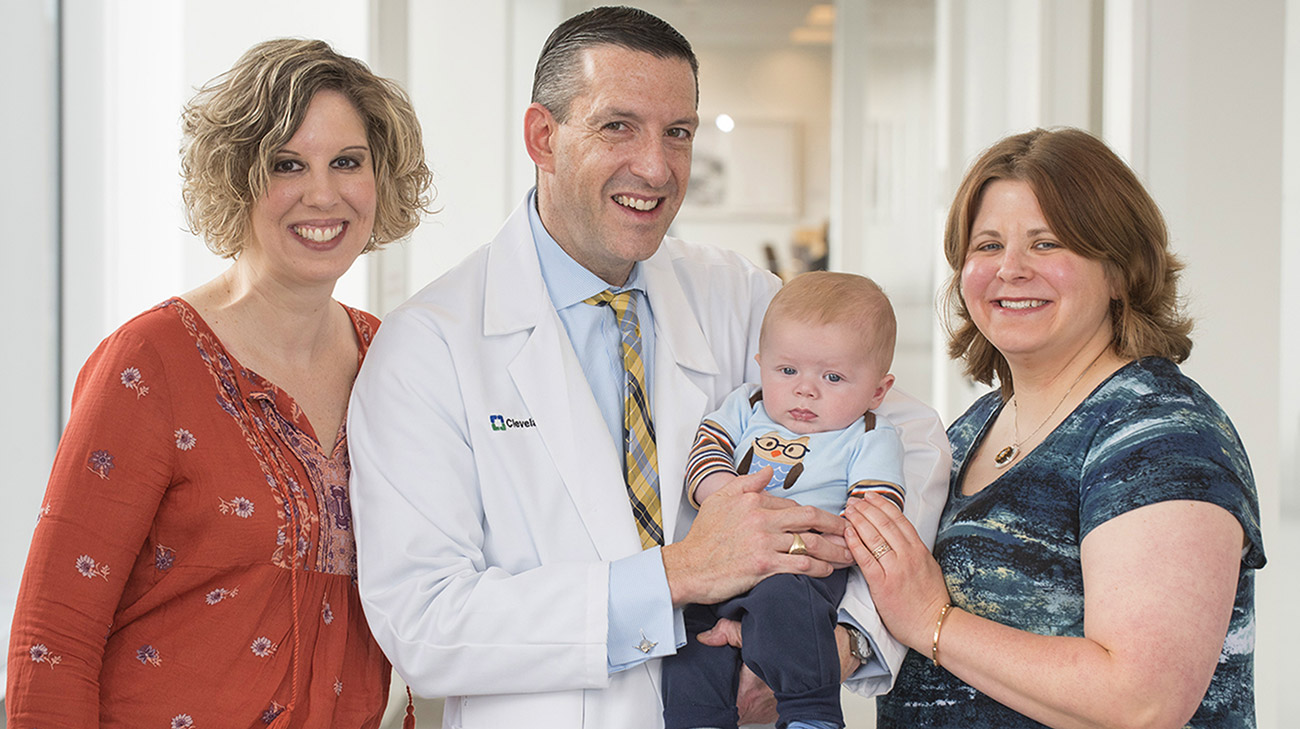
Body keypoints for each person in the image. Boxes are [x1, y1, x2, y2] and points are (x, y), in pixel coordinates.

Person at [347, 7, 949, 729]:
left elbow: (910, 433)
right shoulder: (430, 344)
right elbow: (426, 623)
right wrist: (678, 574)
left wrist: (841, 639)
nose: (657, 167)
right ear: (543, 136)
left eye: (679, 133)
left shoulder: (738, 294)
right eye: (617, 126)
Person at [6, 38, 431, 728]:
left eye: (346, 162)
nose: (322, 193)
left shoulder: (397, 358)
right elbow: (52, 640)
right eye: (287, 164)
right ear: (237, 177)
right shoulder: (149, 360)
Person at [842, 127, 1266, 729]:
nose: (1009, 270)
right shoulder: (967, 432)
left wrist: (933, 621)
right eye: (987, 245)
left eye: (1046, 244)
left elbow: (1141, 702)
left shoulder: (1161, 434)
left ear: (1120, 271)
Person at [662, 272, 937, 729]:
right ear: (760, 364)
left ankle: (813, 715)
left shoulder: (869, 435)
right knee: (689, 638)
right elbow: (707, 452)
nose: (805, 389)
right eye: (787, 371)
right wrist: (727, 500)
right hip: (718, 559)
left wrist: (831, 544)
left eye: (832, 376)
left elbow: (875, 512)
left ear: (878, 391)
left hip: (802, 568)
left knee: (788, 616)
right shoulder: (745, 405)